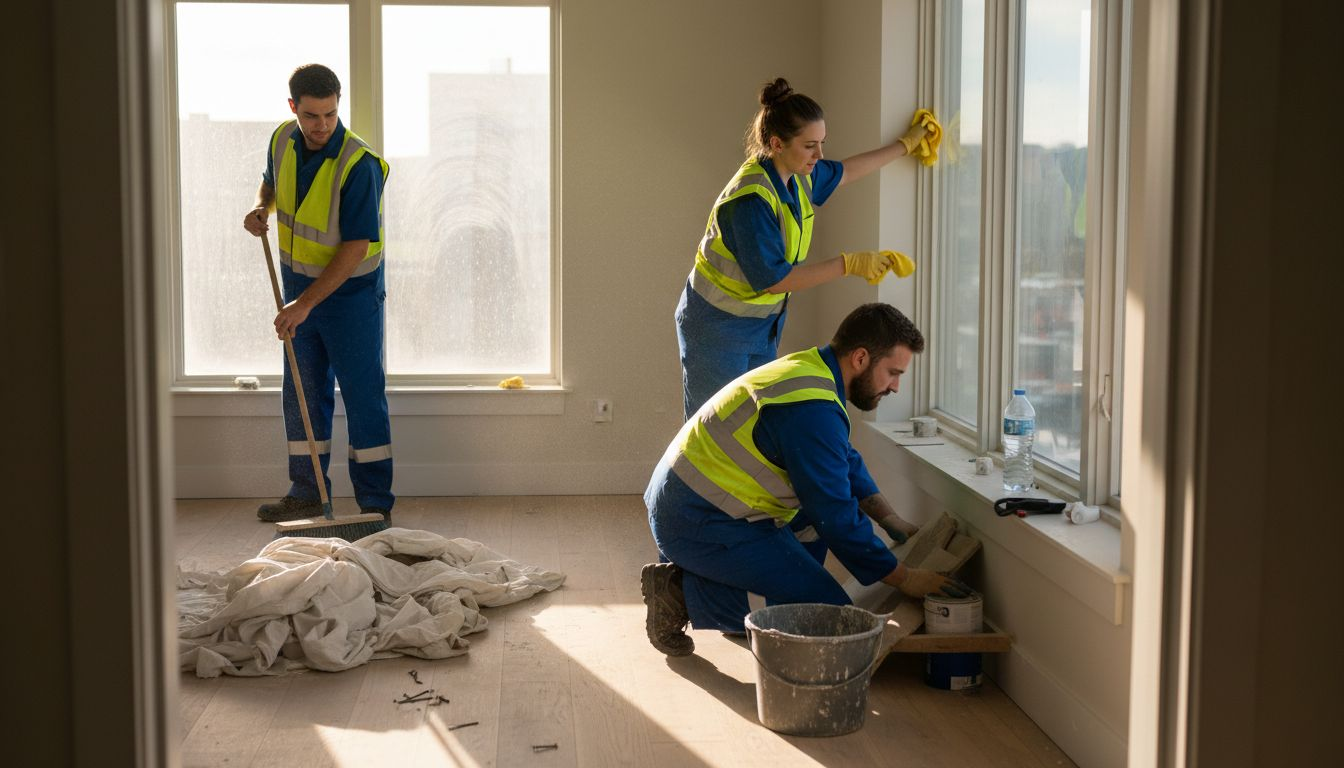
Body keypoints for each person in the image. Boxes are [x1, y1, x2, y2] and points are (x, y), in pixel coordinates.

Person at [642, 303, 966, 656]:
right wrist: (904, 577)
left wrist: (889, 519)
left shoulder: (813, 372)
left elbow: (841, 458)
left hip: (702, 502)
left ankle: (761, 594)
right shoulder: (811, 409)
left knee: (810, 547)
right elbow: (835, 514)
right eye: (893, 372)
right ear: (860, 358)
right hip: (697, 518)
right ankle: (680, 594)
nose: (896, 386)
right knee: (825, 615)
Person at [676, 77, 937, 418]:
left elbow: (845, 172)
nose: (820, 154)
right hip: (716, 327)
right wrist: (849, 264)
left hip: (759, 324)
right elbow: (775, 280)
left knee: (752, 424)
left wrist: (906, 144)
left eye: (822, 143)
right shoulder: (750, 200)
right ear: (777, 143)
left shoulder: (796, 173)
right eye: (811, 145)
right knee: (712, 427)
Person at [241, 64, 395, 524]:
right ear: (294, 108)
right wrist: (259, 206)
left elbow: (354, 247)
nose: (321, 125)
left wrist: (305, 304)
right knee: (303, 394)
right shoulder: (282, 140)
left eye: (329, 114)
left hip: (350, 298)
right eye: (311, 115)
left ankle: (374, 506)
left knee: (363, 396)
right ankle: (307, 492)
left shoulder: (358, 164)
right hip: (297, 291)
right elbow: (269, 180)